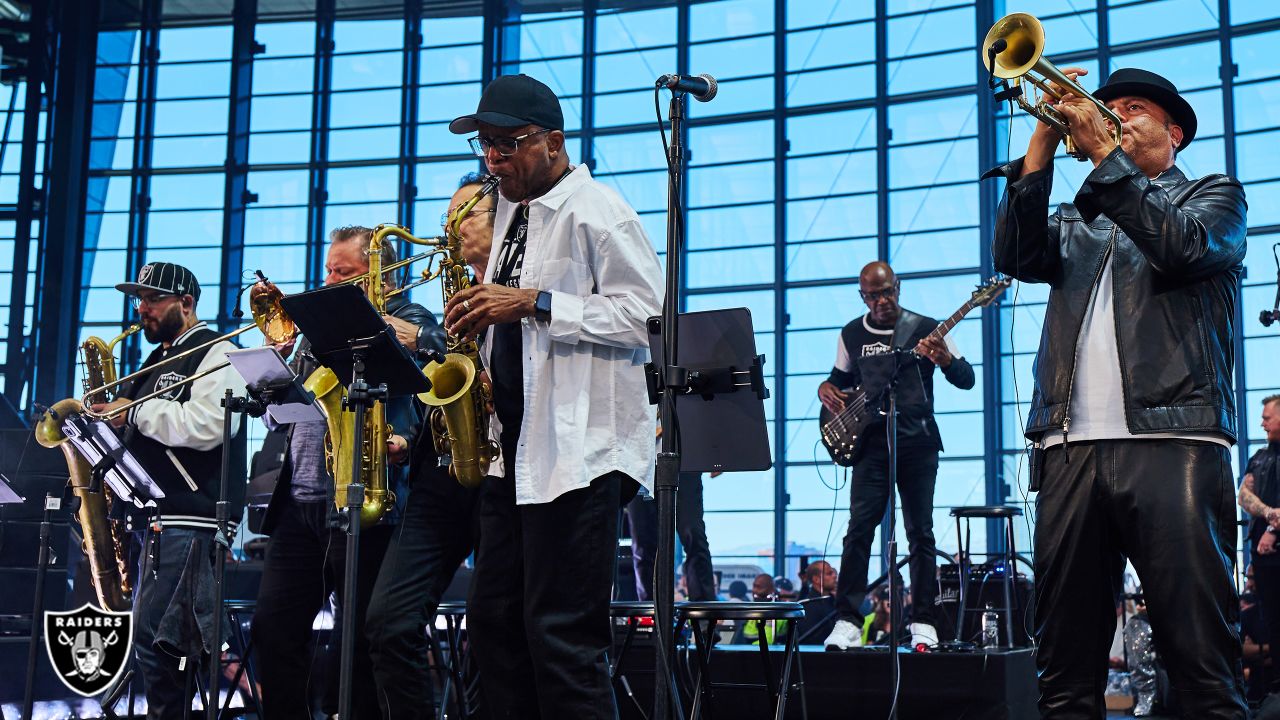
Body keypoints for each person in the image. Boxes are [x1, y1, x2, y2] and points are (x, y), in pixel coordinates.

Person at [988, 66, 1248, 717]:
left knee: (1201, 666)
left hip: (1174, 442)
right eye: (1108, 109)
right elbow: (1014, 256)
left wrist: (1105, 154)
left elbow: (1180, 248)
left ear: (1175, 131)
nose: (1115, 117)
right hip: (1069, 448)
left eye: (1134, 109)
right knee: (1065, 672)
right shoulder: (1078, 218)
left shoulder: (1214, 198)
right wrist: (1043, 143)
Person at [443, 73, 663, 718]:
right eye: (485, 146)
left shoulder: (601, 211)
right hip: (513, 453)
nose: (493, 160)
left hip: (581, 456)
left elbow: (651, 319)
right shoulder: (510, 212)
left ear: (555, 142)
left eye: (507, 145)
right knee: (493, 625)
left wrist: (535, 303)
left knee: (562, 638)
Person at [251, 226, 440, 719]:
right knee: (274, 630)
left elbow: (426, 388)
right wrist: (273, 371)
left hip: (364, 496)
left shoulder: (408, 317)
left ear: (378, 276)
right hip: (300, 501)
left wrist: (407, 438)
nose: (331, 279)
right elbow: (289, 404)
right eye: (329, 269)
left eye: (345, 272)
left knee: (356, 644)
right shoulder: (315, 327)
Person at [91, 262, 247, 719]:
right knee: (154, 642)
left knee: (162, 644)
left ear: (187, 302)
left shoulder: (217, 352)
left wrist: (133, 413)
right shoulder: (158, 358)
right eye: (139, 300)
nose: (143, 310)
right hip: (159, 519)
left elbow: (208, 426)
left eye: (153, 299)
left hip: (193, 518)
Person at [363, 177, 492, 719]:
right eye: (449, 216)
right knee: (387, 622)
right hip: (440, 474)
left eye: (465, 213)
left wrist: (429, 340)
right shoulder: (452, 295)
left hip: (502, 476)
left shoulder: (526, 280)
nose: (452, 225)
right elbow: (439, 387)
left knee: (493, 634)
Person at [817, 260, 976, 652]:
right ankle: (848, 620)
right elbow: (838, 381)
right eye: (873, 295)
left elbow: (967, 379)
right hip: (871, 445)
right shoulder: (852, 333)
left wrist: (946, 361)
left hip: (918, 442)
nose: (882, 301)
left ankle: (923, 620)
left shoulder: (926, 328)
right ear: (863, 296)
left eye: (888, 292)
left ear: (898, 288)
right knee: (858, 531)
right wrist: (825, 387)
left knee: (919, 533)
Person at [627, 421, 717, 602]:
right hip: (638, 461)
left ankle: (704, 613)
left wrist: (715, 450)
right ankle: (650, 612)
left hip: (683, 457)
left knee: (693, 532)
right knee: (642, 542)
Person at [1240, 395, 1280, 696]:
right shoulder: (1259, 457)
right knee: (1271, 616)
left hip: (1274, 544)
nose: (1261, 423)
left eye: (1267, 417)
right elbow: (1244, 496)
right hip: (1263, 555)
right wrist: (1269, 514)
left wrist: (1272, 529)